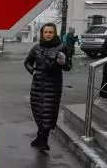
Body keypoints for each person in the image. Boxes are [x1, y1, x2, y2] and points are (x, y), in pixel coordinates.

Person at [24, 23, 72, 151]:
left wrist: (63, 62)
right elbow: (27, 62)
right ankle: (40, 137)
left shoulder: (61, 48)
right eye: (46, 32)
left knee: (48, 113)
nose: (48, 34)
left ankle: (43, 140)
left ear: (54, 33)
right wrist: (32, 71)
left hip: (53, 86)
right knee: (38, 112)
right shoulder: (37, 48)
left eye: (50, 32)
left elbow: (68, 66)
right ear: (42, 33)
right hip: (37, 86)